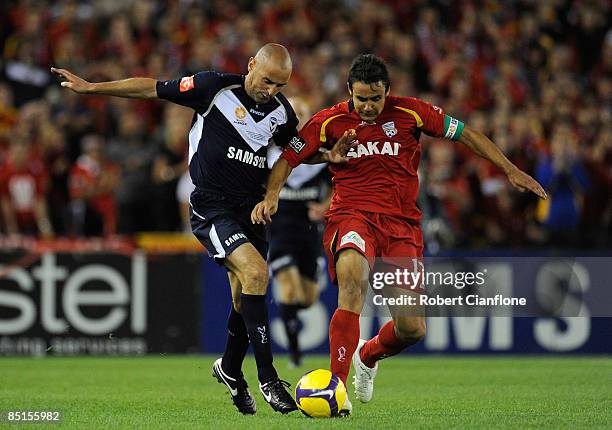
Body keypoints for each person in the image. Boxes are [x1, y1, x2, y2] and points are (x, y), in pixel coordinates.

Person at [52, 44, 351, 415]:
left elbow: (292, 153)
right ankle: (268, 378)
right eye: (268, 80)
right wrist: (93, 88)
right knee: (258, 274)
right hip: (211, 206)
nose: (271, 90)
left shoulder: (282, 112)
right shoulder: (214, 88)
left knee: (245, 299)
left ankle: (228, 369)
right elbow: (152, 87)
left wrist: (322, 159)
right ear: (251, 65)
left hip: (251, 211)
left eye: (281, 85)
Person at [252, 54, 547, 413]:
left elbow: (466, 133)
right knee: (351, 280)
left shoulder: (412, 113)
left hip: (401, 226)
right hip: (352, 215)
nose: (369, 106)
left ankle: (368, 353)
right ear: (350, 91)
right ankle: (337, 391)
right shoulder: (328, 121)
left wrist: (511, 170)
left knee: (412, 329)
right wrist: (272, 195)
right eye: (361, 99)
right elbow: (288, 157)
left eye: (376, 98)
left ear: (387, 91)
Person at [267, 97, 331, 368]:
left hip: (309, 235)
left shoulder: (323, 156)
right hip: (279, 233)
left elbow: (340, 187)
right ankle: (294, 353)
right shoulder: (268, 154)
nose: (295, 117)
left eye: (300, 112)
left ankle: (291, 324)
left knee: (307, 298)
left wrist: (325, 208)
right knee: (289, 289)